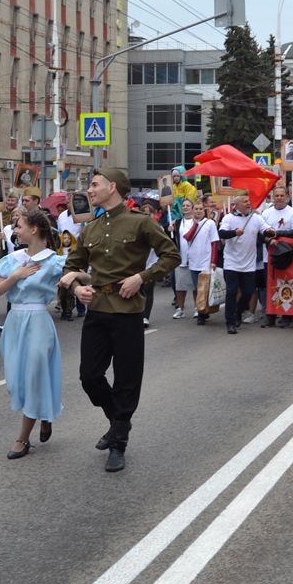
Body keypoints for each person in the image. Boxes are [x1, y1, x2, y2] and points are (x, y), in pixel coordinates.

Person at [59, 168, 180, 472]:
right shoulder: (91, 228)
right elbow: (71, 267)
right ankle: (118, 423)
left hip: (127, 312)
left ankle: (118, 445)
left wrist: (141, 277)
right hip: (98, 308)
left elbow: (171, 256)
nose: (90, 190)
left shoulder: (141, 222)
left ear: (112, 187)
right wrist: (77, 288)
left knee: (126, 379)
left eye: (95, 184)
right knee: (89, 377)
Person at [0, 209, 66, 459]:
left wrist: (78, 283)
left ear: (34, 229)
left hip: (38, 322)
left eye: (19, 226)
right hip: (15, 323)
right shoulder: (12, 259)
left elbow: (79, 276)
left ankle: (22, 439)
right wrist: (16, 275)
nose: (15, 230)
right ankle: (44, 414)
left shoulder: (54, 261)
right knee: (16, 382)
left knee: (34, 377)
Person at [218, 192, 270, 335]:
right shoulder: (229, 218)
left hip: (249, 263)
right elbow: (221, 233)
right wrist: (235, 232)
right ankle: (230, 322)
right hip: (231, 262)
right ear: (236, 205)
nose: (248, 203)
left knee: (248, 292)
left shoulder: (256, 218)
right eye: (245, 201)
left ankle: (237, 313)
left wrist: (271, 232)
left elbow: (265, 229)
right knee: (232, 291)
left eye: (249, 201)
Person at [260, 185, 293, 328]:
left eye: (281, 195)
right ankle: (270, 315)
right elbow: (261, 234)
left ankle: (286, 315)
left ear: (287, 197)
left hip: (286, 255)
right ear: (273, 197)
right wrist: (269, 239)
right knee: (269, 286)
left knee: (286, 285)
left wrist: (278, 234)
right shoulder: (266, 213)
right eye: (276, 195)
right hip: (269, 256)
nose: (279, 198)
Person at [185, 200, 220, 326]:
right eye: (196, 209)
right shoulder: (189, 223)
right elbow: (187, 237)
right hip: (194, 260)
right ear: (193, 210)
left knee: (204, 288)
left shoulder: (210, 223)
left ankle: (202, 312)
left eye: (200, 209)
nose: (198, 211)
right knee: (196, 288)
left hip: (206, 260)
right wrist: (195, 225)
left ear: (204, 210)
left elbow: (214, 242)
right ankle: (200, 309)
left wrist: (213, 261)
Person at [171, 199, 196, 319]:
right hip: (181, 258)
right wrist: (169, 230)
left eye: (188, 205)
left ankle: (198, 308)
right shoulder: (177, 222)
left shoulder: (197, 221)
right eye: (184, 206)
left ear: (192, 207)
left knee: (196, 285)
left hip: (195, 258)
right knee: (180, 286)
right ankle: (180, 308)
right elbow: (171, 239)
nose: (185, 207)